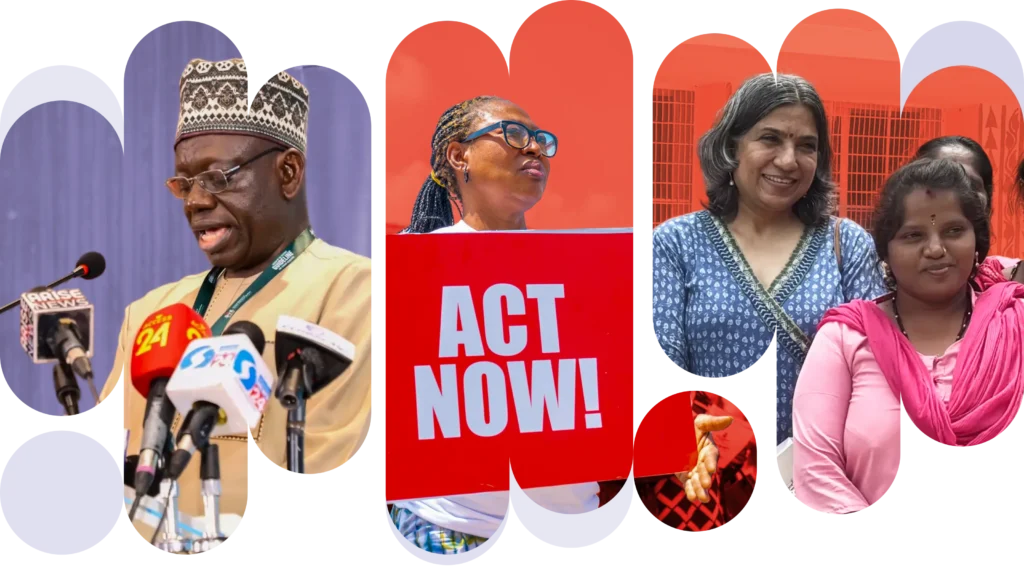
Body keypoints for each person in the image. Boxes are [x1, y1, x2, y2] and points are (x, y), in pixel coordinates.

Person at [389, 95, 728, 553]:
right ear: (459, 154)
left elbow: (606, 394)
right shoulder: (411, 271)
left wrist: (678, 437)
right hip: (450, 530)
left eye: (542, 142)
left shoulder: (585, 270)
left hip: (576, 527)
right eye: (514, 135)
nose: (534, 150)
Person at [98, 58, 373, 541]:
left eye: (218, 177)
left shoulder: (354, 288)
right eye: (184, 182)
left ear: (288, 172)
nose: (194, 202)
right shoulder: (149, 311)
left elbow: (328, 461)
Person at [650, 72, 888, 448]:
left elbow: (873, 368)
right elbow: (663, 365)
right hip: (710, 470)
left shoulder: (848, 245)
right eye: (770, 139)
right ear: (732, 146)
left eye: (807, 146)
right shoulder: (676, 243)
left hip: (820, 472)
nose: (789, 160)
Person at [792, 158, 1024, 515]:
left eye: (953, 231)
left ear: (978, 241)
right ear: (885, 250)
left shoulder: (1016, 324)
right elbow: (816, 471)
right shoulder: (845, 338)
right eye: (913, 235)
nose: (935, 249)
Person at [912, 136, 1021, 287]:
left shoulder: (1004, 286)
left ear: (987, 200)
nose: (955, 196)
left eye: (970, 185)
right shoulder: (881, 279)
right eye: (940, 182)